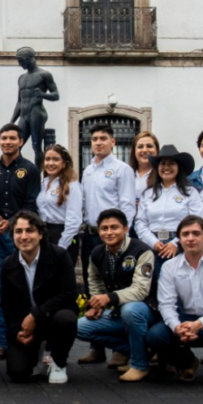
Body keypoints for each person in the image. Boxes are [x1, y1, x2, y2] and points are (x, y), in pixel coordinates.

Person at [145, 216, 203, 386]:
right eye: (185, 234)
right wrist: (176, 326)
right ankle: (187, 364)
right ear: (179, 240)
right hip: (185, 318)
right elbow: (166, 304)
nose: (190, 238)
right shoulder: (169, 266)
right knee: (155, 336)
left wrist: (199, 324)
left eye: (196, 233)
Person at [76, 209, 159, 382]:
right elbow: (95, 282)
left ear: (126, 229)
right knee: (79, 327)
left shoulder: (142, 251)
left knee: (130, 310)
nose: (109, 232)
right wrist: (99, 305)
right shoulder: (97, 253)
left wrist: (109, 298)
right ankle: (140, 352)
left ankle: (139, 365)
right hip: (118, 311)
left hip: (147, 311)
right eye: (104, 228)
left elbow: (141, 290)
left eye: (114, 227)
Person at [77, 123, 136, 366]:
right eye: (94, 139)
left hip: (114, 237)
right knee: (95, 289)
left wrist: (122, 236)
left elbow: (128, 204)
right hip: (91, 235)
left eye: (103, 138)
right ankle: (97, 346)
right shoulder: (88, 170)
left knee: (117, 286)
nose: (98, 142)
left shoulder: (122, 170)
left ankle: (119, 349)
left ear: (113, 142)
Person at [0, 123, 41, 361]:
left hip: (22, 237)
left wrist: (11, 223)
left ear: (21, 142)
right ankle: (2, 343)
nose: (7, 142)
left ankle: (26, 338)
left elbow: (31, 204)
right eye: (3, 138)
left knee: (26, 291)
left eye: (12, 138)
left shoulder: (30, 170)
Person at [1, 210, 79, 384]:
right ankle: (37, 349)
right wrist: (16, 332)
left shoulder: (59, 256)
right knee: (18, 373)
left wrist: (36, 315)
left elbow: (69, 294)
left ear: (41, 234)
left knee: (67, 318)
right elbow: (7, 305)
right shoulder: (8, 264)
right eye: (18, 231)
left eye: (30, 230)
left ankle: (58, 361)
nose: (24, 236)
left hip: (53, 318)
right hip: (26, 325)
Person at [134, 145, 203, 272]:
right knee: (154, 286)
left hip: (182, 246)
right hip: (152, 246)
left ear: (178, 167)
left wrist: (175, 243)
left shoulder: (190, 192)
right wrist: (153, 242)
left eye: (171, 163)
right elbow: (140, 222)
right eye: (163, 163)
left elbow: (197, 221)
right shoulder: (148, 194)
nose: (166, 167)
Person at [11, 47, 59, 167]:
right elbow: (19, 102)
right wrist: (11, 122)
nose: (20, 64)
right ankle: (20, 172)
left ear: (30, 59)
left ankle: (38, 176)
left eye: (21, 61)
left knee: (36, 145)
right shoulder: (21, 78)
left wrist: (43, 95)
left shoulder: (44, 75)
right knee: (16, 145)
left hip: (36, 111)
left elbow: (56, 95)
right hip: (23, 114)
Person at [36, 144, 81, 255]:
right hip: (44, 234)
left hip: (63, 235)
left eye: (55, 159)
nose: (50, 163)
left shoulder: (72, 185)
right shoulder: (43, 184)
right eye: (47, 159)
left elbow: (74, 221)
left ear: (64, 163)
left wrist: (62, 246)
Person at [129, 132, 160, 204]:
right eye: (140, 147)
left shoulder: (162, 175)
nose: (145, 150)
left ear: (157, 150)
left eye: (149, 146)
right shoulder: (125, 173)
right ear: (134, 151)